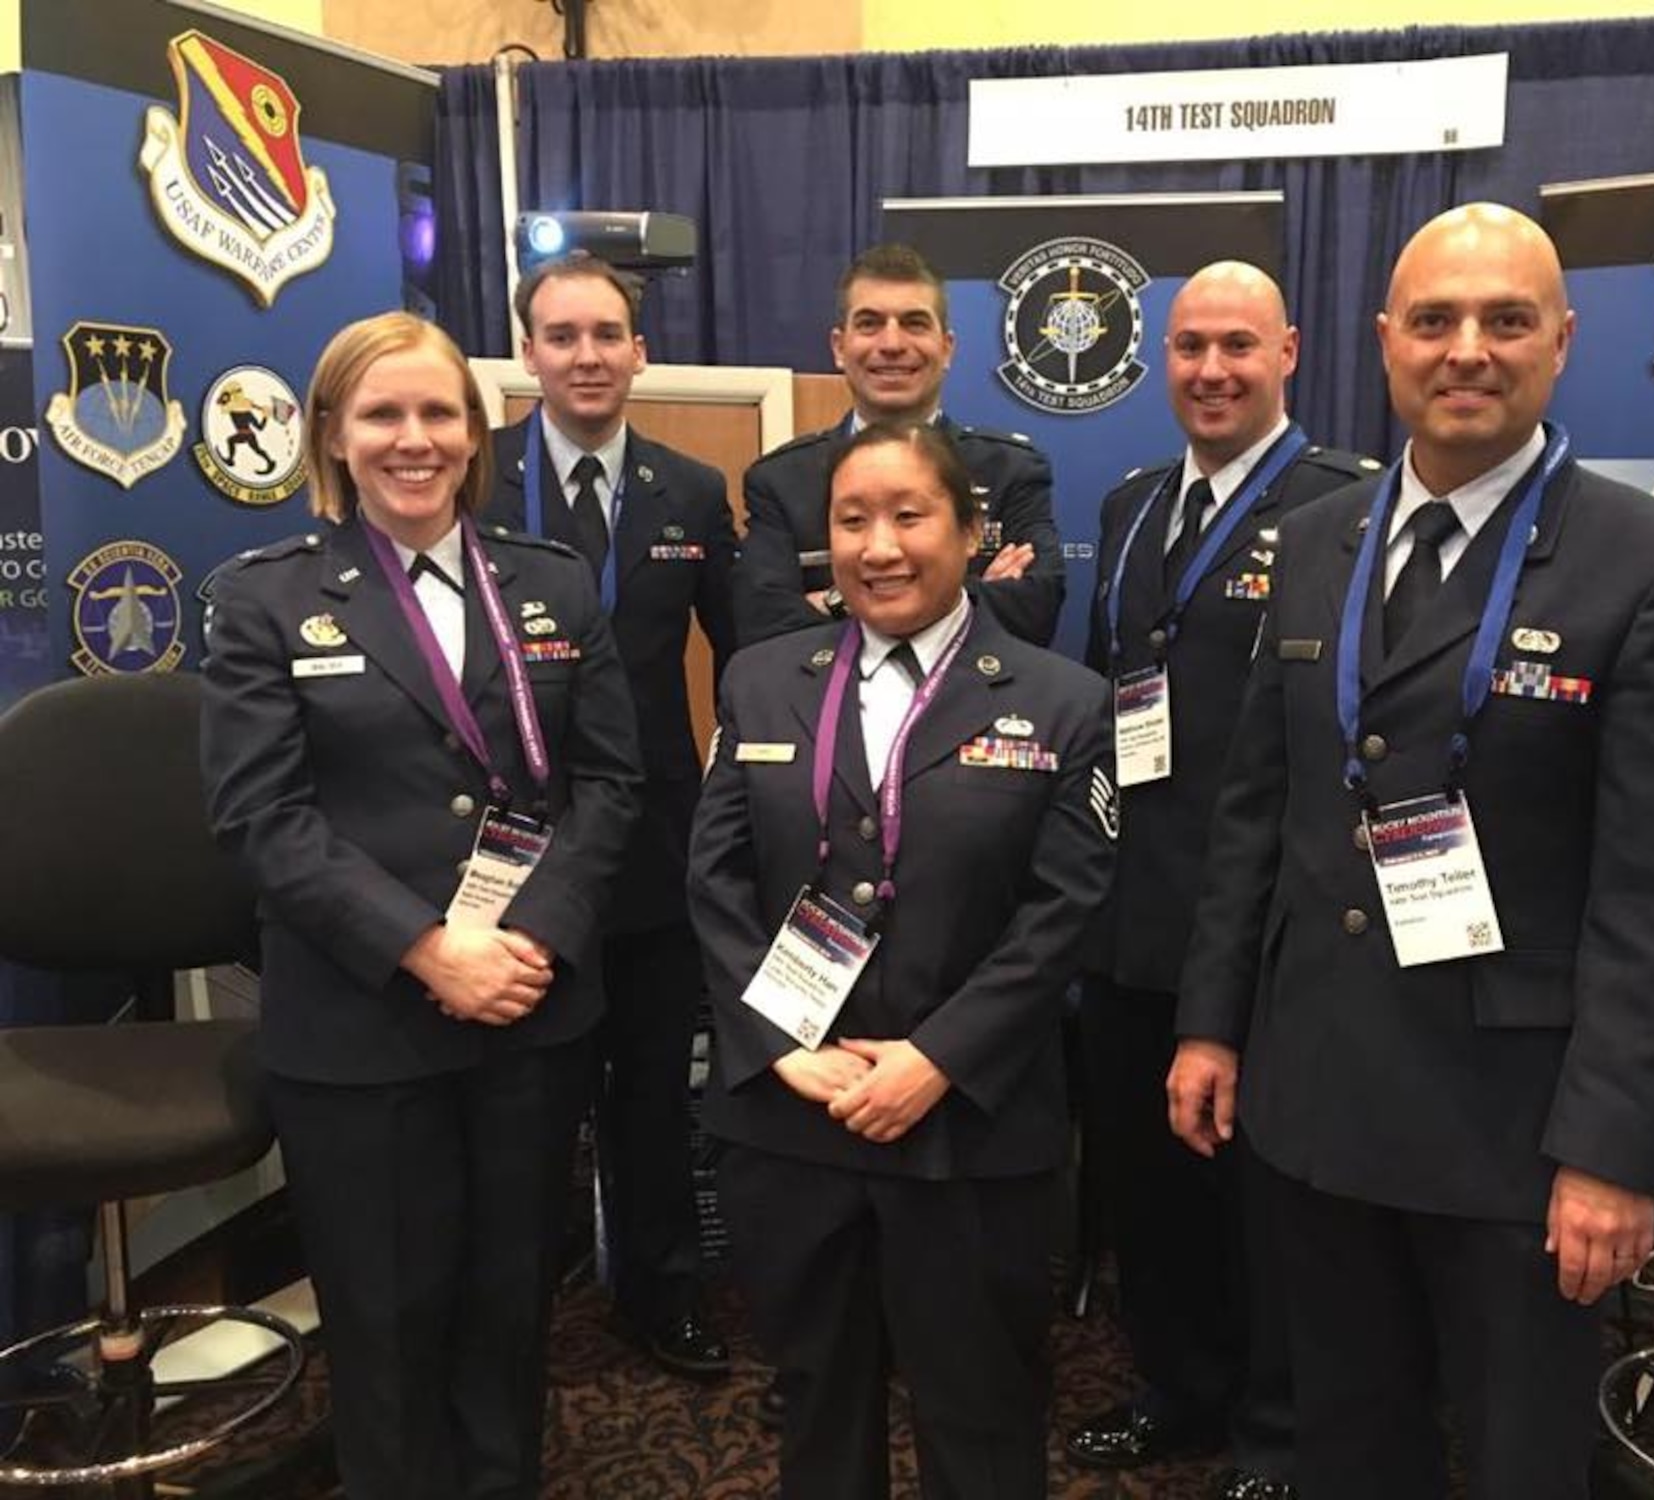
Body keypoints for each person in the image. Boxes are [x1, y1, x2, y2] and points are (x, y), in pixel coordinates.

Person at [1166, 204, 1654, 1500]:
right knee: (1349, 1444)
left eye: (1505, 320)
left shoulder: (1652, 565)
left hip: (1519, 1127)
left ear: (1562, 342)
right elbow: (1259, 806)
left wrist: (1614, 1150)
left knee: (1516, 1461)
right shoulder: (1315, 543)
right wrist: (1211, 1026)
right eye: (1435, 320)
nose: (1466, 349)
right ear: (1384, 342)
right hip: (1318, 1092)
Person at [200, 311, 643, 1500]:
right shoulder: (264, 600)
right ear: (333, 436)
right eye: (382, 414)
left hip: (529, 1006)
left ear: (475, 429)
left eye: (437, 412)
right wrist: (421, 947)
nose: (414, 438)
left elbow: (611, 783)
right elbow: (262, 818)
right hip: (359, 1024)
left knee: (510, 1301)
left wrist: (529, 934)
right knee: (386, 1321)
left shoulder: (550, 584)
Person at [690, 422, 1117, 1499]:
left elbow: (1061, 912)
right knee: (814, 1408)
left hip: (966, 1126)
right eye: (851, 520)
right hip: (795, 1117)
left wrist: (936, 1058)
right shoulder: (758, 681)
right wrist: (784, 1048)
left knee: (980, 1414)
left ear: (972, 533)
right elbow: (716, 885)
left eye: (909, 515)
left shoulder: (1060, 701)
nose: (878, 546)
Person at [1069, 262, 1377, 1500]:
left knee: (1264, 1198)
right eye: (1189, 346)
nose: (1210, 370)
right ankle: (1175, 1387)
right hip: (1129, 905)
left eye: (1237, 346)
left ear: (1289, 352)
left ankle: (1275, 1432)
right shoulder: (1139, 502)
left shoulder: (1341, 507)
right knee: (1147, 1183)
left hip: (1259, 921)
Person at [489, 251, 738, 1377]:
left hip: (651, 848)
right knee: (523, 1101)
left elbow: (751, 658)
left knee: (649, 1094)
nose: (585, 355)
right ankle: (516, 1300)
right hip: (508, 855)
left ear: (639, 351)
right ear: (527, 352)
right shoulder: (468, 475)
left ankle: (660, 1294)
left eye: (606, 334)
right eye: (560, 335)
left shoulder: (687, 492)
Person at [734, 243, 1064, 648]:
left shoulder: (1011, 470)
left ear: (946, 348)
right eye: (870, 323)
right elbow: (761, 624)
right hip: (828, 707)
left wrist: (833, 603)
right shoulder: (780, 482)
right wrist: (965, 591)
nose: (891, 343)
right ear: (839, 348)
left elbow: (1033, 611)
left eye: (914, 323)